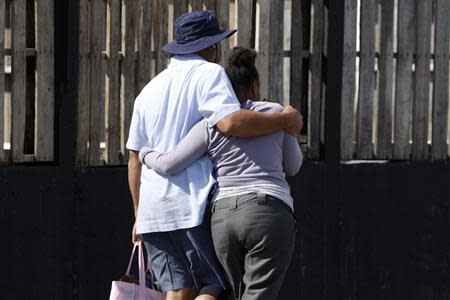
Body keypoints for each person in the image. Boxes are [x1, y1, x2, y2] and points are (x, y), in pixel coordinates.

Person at [126, 10, 302, 300]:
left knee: (177, 289)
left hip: (151, 210)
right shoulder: (209, 73)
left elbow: (134, 159)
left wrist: (137, 215)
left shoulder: (147, 91)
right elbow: (230, 122)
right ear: (209, 46)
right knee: (215, 285)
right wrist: (285, 121)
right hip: (190, 203)